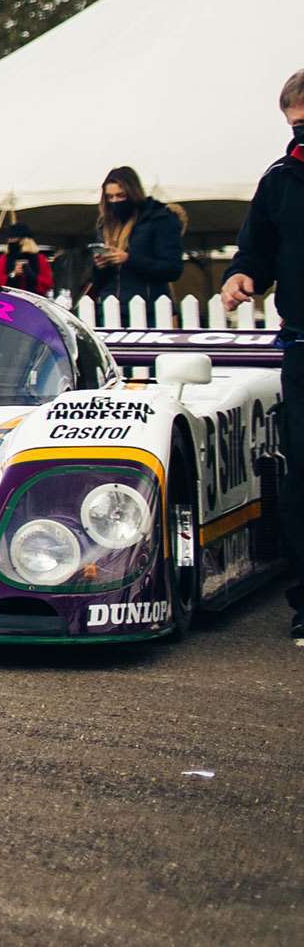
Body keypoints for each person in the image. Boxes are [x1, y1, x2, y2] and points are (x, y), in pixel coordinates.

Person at [219, 67, 304, 645]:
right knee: (303, 478)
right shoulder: (279, 178)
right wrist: (241, 274)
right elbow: (256, 249)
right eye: (295, 126)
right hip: (303, 345)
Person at [87, 166, 185, 316]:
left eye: (120, 195)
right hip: (110, 307)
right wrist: (100, 265)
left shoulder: (160, 218)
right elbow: (97, 281)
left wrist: (128, 259)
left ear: (133, 193)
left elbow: (172, 269)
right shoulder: (105, 224)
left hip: (149, 309)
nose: (115, 201)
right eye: (110, 197)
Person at [0, 222, 55, 296]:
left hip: (32, 298)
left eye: (13, 238)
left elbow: (47, 283)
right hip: (10, 297)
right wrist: (13, 274)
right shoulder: (4, 258)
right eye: (9, 239)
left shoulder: (39, 259)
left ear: (24, 240)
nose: (10, 241)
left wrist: (31, 276)